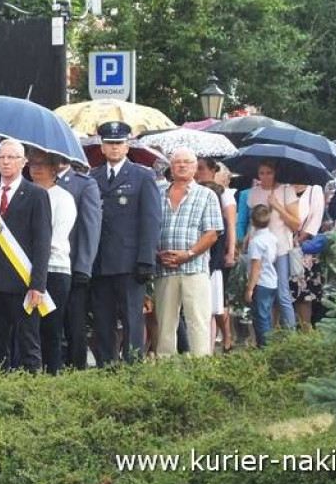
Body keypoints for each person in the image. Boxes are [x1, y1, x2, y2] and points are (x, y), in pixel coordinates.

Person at [0, 139, 51, 372]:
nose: (6, 162)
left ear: (23, 162)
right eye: (1, 157)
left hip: (24, 283)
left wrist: (38, 284)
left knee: (28, 345)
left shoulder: (36, 195)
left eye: (12, 157)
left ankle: (31, 397)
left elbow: (42, 243)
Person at [90, 121, 161, 364]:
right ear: (102, 147)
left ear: (128, 145)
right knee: (102, 321)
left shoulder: (142, 176)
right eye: (109, 143)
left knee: (132, 319)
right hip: (99, 262)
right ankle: (105, 370)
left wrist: (146, 260)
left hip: (130, 263)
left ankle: (133, 372)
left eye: (119, 143)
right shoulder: (93, 176)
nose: (114, 148)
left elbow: (150, 221)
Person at [154, 148, 223, 357]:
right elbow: (147, 226)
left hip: (195, 267)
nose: (182, 165)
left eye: (187, 162)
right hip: (164, 267)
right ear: (171, 168)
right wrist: (156, 253)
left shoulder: (207, 195)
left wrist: (189, 253)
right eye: (177, 162)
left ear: (195, 168)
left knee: (198, 321)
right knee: (165, 323)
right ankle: (166, 371)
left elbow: (212, 234)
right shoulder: (157, 192)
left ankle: (200, 371)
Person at [27, 150, 77, 374]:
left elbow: (56, 239)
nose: (36, 168)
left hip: (54, 270)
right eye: (33, 163)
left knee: (51, 329)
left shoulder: (63, 198)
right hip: (24, 270)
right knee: (28, 331)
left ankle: (52, 376)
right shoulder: (24, 194)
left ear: (54, 168)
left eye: (42, 164)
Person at [55, 155, 102, 369]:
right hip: (44, 267)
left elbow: (90, 227)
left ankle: (76, 370)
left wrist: (84, 266)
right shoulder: (35, 180)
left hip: (72, 265)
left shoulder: (84, 184)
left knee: (74, 324)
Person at [246, 160, 300, 329]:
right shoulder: (254, 193)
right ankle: (265, 335)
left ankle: (291, 335)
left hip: (280, 247)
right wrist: (247, 237)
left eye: (269, 173)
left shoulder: (286, 190)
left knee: (282, 293)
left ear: (275, 172)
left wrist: (277, 206)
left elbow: (296, 224)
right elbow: (252, 219)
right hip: (259, 247)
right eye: (261, 173)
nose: (265, 177)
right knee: (261, 291)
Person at [196, 158, 236, 352]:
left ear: (213, 170)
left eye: (201, 168)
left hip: (215, 260)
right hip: (202, 260)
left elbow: (229, 226)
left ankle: (223, 339)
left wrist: (230, 252)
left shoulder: (223, 195)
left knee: (216, 306)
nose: (197, 171)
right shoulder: (196, 190)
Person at [289, 183, 326, 328]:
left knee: (304, 295)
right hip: (282, 245)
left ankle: (306, 332)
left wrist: (297, 240)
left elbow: (315, 221)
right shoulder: (283, 187)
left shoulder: (315, 189)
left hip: (304, 251)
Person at [245, 205, 278, 348]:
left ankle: (265, 348)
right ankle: (264, 345)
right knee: (266, 315)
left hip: (261, 283)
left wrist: (250, 288)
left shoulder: (256, 242)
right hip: (272, 281)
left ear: (252, 222)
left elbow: (256, 267)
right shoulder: (272, 238)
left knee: (261, 318)